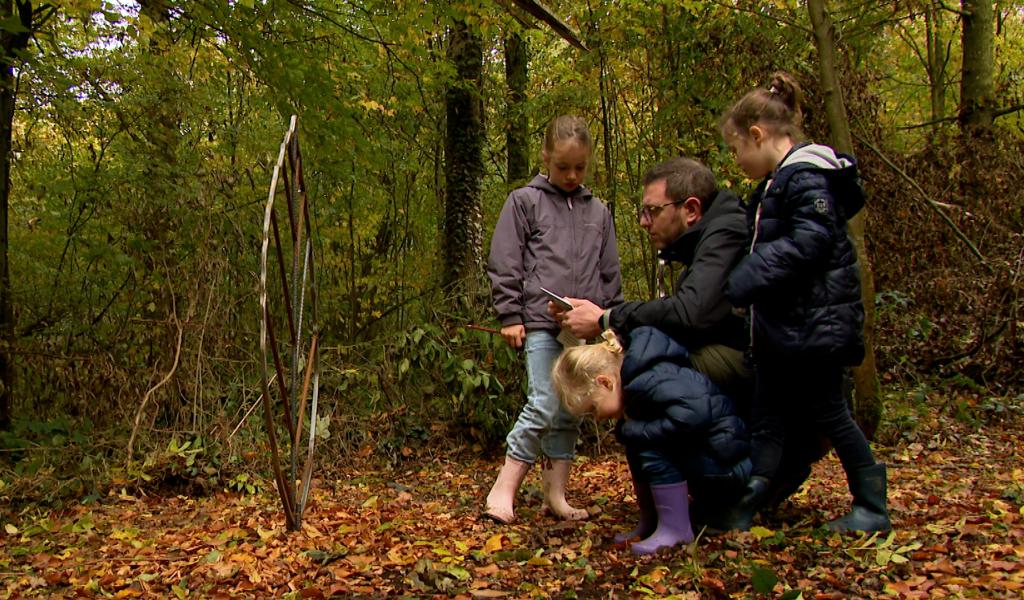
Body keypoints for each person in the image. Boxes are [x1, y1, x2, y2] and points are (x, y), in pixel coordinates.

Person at [720, 71, 890, 532]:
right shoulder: (779, 184)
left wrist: (749, 275)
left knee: (830, 411)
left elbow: (811, 242)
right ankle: (749, 502)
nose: (736, 160)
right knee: (768, 417)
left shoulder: (805, 177)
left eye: (736, 150)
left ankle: (872, 504)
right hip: (783, 331)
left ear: (757, 136)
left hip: (814, 330)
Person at [483, 115, 623, 524]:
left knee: (572, 407)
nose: (571, 175)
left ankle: (556, 495)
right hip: (540, 323)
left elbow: (609, 270)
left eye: (579, 167)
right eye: (563, 167)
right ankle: (503, 490)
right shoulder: (525, 201)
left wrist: (610, 319)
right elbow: (505, 260)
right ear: (546, 157)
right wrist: (509, 314)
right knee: (544, 401)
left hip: (585, 328)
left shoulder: (599, 211)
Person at [553, 158, 751, 405]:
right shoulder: (712, 238)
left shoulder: (727, 233)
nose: (644, 222)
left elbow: (689, 314)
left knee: (648, 372)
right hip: (743, 358)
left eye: (653, 211)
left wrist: (606, 318)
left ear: (691, 210)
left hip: (766, 368)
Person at [551, 326, 750, 555]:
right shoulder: (638, 382)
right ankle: (654, 521)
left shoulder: (649, 379)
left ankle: (675, 529)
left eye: (593, 409)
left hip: (727, 466)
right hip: (715, 461)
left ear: (605, 382)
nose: (597, 418)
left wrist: (636, 430)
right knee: (638, 442)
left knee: (649, 445)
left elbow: (695, 415)